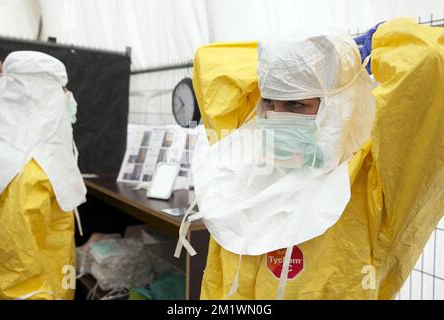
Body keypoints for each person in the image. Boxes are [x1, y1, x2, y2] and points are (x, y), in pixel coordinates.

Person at [177, 18, 444, 300]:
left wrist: (369, 50)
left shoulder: (372, 183)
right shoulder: (245, 164)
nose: (277, 116)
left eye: (296, 104)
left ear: (337, 106)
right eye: (269, 102)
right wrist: (292, 62)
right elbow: (210, 62)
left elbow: (432, 59)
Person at [0, 51, 86, 300]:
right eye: (62, 89)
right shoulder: (23, 176)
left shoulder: (47, 167)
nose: (68, 97)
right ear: (41, 96)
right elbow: (16, 283)